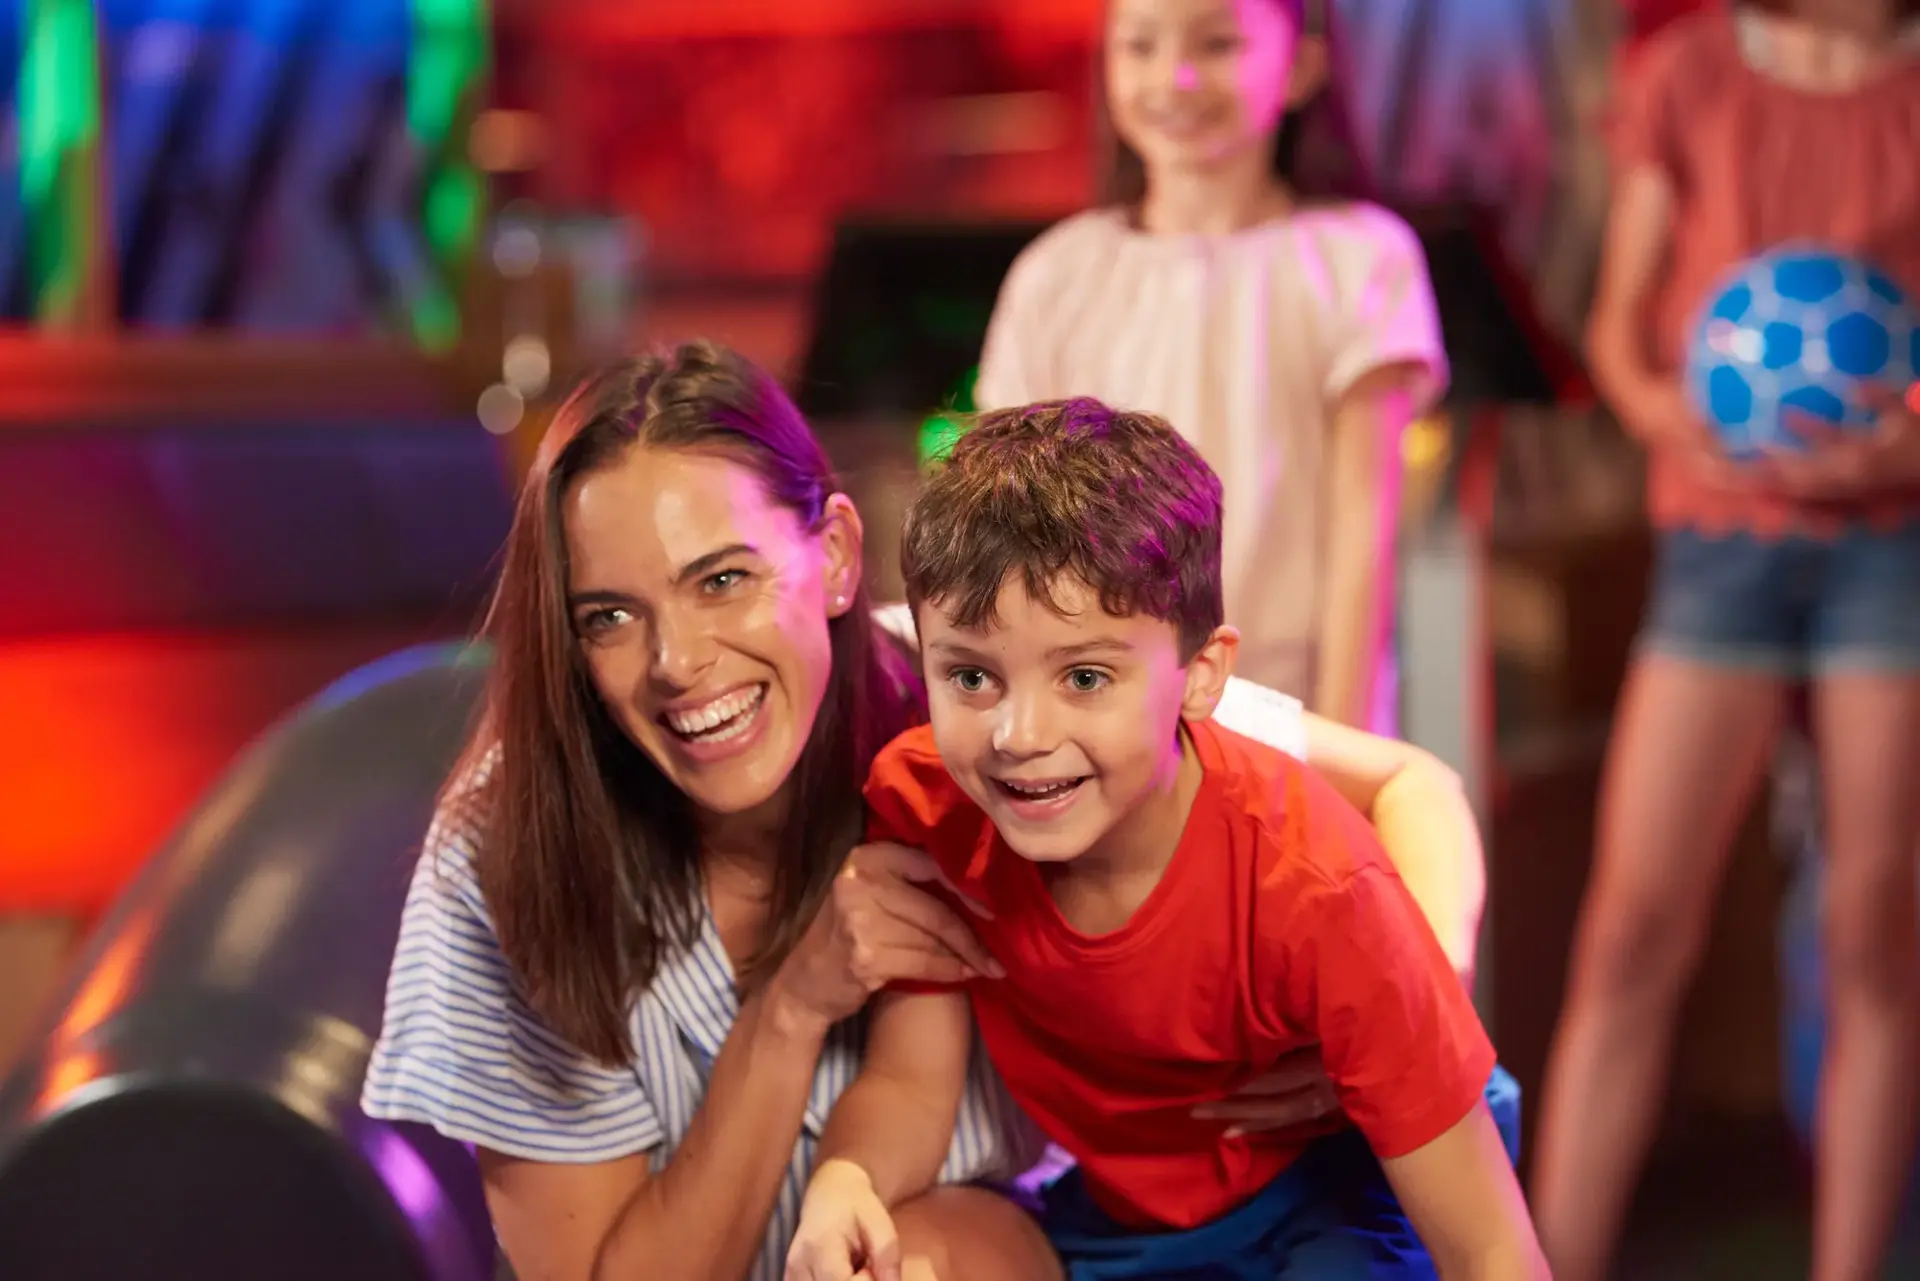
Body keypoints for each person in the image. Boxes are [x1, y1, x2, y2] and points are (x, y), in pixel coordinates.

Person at [359, 343, 1492, 1281]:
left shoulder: (991, 690)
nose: (679, 664)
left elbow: (1410, 787)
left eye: (724, 579)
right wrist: (794, 1006)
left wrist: (1401, 1003)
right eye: (609, 615)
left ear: (838, 557)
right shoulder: (507, 845)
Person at [785, 399, 1540, 1281]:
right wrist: (843, 1180)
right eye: (973, 676)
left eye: (1085, 675)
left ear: (1202, 677)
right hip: (1130, 1216)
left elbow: (1492, 1248)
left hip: (1339, 1186)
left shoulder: (1317, 887)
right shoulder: (933, 806)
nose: (1018, 733)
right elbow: (913, 1082)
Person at [1529, 6, 1920, 1281]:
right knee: (1635, 927)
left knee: (1874, 928)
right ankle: (1546, 1260)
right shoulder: (1688, 71)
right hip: (1720, 547)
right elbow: (1620, 325)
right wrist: (1667, 420)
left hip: (1892, 548)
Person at [973, 0, 1446, 730]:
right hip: (1100, 727)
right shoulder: (1055, 275)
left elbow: (1364, 537)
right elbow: (1010, 527)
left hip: (1291, 714)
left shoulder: (1360, 260)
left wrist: (1342, 752)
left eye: (1218, 43)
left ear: (1302, 65)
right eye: (1140, 46)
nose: (1177, 78)